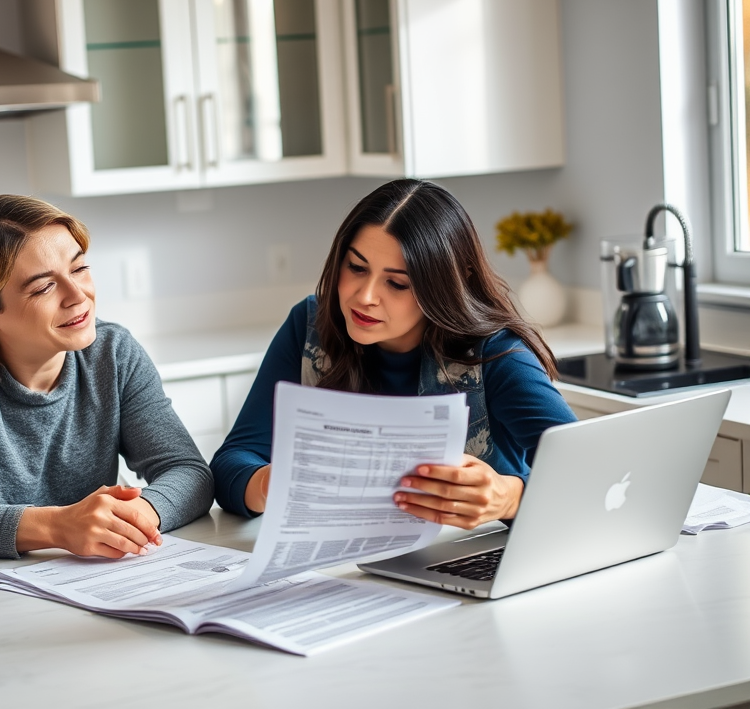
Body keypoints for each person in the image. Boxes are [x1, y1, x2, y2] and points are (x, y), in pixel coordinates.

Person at [211, 179, 577, 527]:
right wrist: (269, 483)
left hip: (467, 561)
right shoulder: (309, 326)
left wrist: (511, 499)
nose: (365, 296)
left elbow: (591, 472)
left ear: (447, 286)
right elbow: (231, 463)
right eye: (356, 267)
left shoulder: (497, 355)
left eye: (397, 283)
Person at [0, 194, 213, 559]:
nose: (78, 296)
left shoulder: (113, 353)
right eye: (43, 287)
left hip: (80, 581)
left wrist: (134, 517)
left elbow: (188, 472)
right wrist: (60, 527)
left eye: (79, 269)